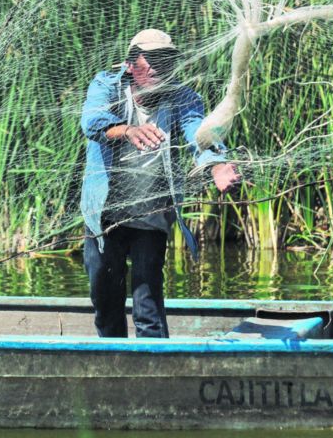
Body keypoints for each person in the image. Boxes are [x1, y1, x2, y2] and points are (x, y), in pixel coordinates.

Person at [79, 28, 239, 338]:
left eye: (166, 59)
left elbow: (199, 134)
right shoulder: (106, 86)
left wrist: (217, 165)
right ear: (130, 64)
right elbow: (92, 122)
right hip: (105, 213)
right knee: (104, 297)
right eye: (151, 59)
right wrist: (127, 130)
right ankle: (112, 357)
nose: (158, 67)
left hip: (150, 214)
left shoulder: (183, 98)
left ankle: (155, 359)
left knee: (148, 300)